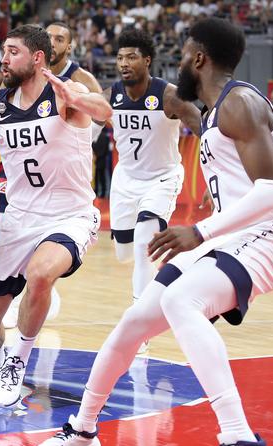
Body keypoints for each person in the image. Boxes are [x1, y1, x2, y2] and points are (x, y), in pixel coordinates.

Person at [34, 18, 273, 446]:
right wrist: (80, 102)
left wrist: (199, 231)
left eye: (182, 53)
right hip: (232, 235)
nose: (176, 61)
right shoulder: (214, 111)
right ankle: (82, 431)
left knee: (182, 302)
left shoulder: (241, 104)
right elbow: (115, 110)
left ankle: (240, 440)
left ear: (198, 58)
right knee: (134, 322)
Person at [0, 24, 113, 408]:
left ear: (37, 58)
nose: (4, 58)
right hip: (19, 219)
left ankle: (16, 366)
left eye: (13, 52)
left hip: (69, 215)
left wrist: (81, 98)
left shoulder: (64, 95)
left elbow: (104, 111)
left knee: (41, 274)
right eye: (4, 51)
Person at [0, 21, 104, 329]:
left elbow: (101, 114)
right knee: (5, 225)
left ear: (69, 47)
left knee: (49, 249)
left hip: (65, 165)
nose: (54, 42)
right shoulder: (20, 78)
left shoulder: (79, 79)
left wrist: (68, 134)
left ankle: (44, 290)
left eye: (60, 39)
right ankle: (27, 292)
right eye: (49, 37)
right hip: (24, 163)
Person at [106, 28, 201, 352]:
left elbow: (200, 122)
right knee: (124, 253)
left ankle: (140, 324)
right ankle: (162, 274)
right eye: (120, 57)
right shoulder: (112, 95)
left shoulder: (168, 95)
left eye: (131, 57)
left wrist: (218, 166)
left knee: (145, 246)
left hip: (162, 178)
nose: (124, 63)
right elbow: (85, 128)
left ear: (147, 60)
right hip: (125, 181)